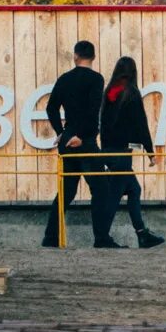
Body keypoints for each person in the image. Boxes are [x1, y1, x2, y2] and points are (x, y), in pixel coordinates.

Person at [90, 56, 166, 250]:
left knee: (134, 190)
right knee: (114, 195)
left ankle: (142, 235)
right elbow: (141, 124)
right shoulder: (131, 93)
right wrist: (150, 153)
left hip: (108, 150)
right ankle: (102, 238)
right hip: (122, 153)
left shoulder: (109, 92)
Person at [40, 40, 103, 247]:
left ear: (75, 56)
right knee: (100, 189)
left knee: (66, 191)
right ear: (93, 57)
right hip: (86, 141)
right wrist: (82, 136)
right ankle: (101, 238)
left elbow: (51, 108)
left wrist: (61, 132)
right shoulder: (96, 80)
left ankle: (51, 238)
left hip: (67, 142)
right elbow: (93, 112)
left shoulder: (65, 79)